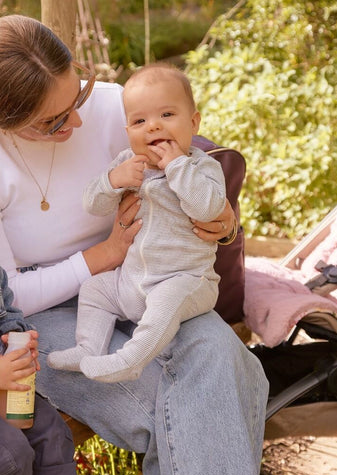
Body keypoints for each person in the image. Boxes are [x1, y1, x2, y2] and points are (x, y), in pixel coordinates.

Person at [0, 14, 268, 475]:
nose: (79, 119)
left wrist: (224, 223)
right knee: (191, 411)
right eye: (54, 120)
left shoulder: (114, 108)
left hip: (153, 279)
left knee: (224, 359)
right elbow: (10, 296)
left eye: (78, 95)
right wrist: (101, 257)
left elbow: (193, 162)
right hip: (46, 315)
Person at [47, 63, 227, 383]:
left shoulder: (202, 168)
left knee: (165, 304)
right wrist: (112, 180)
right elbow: (93, 204)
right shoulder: (127, 165)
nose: (153, 127)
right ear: (127, 131)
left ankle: (131, 360)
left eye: (167, 116)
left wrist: (176, 167)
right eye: (139, 121)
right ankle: (87, 348)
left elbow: (207, 208)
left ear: (194, 122)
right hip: (130, 282)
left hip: (185, 280)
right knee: (94, 289)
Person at [0, 267, 77, 475]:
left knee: (53, 435)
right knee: (11, 455)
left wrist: (18, 339)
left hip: (6, 389)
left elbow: (7, 316)